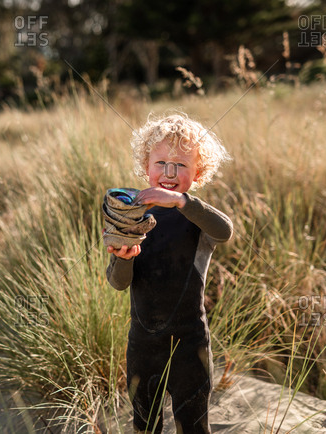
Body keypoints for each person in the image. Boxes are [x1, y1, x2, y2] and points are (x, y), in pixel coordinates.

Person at [105, 112, 233, 434]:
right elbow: (118, 283)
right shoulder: (131, 214)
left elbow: (225, 231)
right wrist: (125, 256)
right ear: (145, 166)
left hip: (190, 347)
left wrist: (180, 201)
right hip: (142, 346)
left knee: (193, 426)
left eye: (181, 165)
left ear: (198, 172)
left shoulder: (197, 217)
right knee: (144, 426)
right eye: (161, 163)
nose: (169, 172)